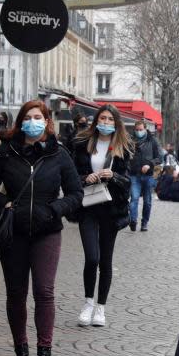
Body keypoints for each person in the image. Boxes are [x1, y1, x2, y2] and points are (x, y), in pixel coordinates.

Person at [0, 100, 82, 356]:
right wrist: (4, 203)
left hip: (47, 231)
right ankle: (21, 354)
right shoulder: (6, 152)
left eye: (38, 117)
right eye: (29, 117)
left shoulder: (59, 154)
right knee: (16, 293)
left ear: (47, 121)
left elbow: (75, 193)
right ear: (21, 121)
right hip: (14, 231)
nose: (33, 121)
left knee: (45, 292)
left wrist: (54, 209)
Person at [71, 105, 133, 328]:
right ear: (96, 120)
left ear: (116, 123)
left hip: (110, 208)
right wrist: (85, 177)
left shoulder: (123, 148)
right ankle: (88, 302)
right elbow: (71, 175)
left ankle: (101, 308)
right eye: (102, 118)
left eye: (109, 119)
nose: (105, 122)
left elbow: (128, 182)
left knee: (105, 261)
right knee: (92, 257)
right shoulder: (81, 144)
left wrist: (114, 175)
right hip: (88, 206)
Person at [128, 120, 161, 232]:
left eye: (141, 130)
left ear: (145, 129)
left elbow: (159, 158)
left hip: (148, 175)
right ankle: (133, 220)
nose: (138, 132)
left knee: (147, 201)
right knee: (134, 198)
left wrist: (150, 164)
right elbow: (125, 157)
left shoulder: (153, 141)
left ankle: (144, 222)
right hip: (134, 174)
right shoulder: (130, 141)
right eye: (137, 130)